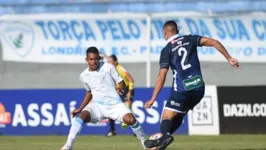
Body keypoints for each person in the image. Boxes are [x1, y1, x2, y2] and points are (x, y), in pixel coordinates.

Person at [143, 20, 239, 150]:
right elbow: (215, 42)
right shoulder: (191, 39)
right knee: (179, 114)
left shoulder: (166, 50)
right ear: (176, 31)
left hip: (182, 89)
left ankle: (164, 136)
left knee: (166, 117)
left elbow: (162, 76)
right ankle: (163, 140)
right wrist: (229, 58)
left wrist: (152, 99)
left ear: (165, 33)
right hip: (198, 89)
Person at [60, 47, 146, 150]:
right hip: (98, 106)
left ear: (99, 58)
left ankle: (145, 142)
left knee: (130, 119)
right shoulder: (84, 75)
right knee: (82, 115)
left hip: (115, 105)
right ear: (86, 60)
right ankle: (68, 145)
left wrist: (120, 88)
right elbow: (89, 93)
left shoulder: (109, 67)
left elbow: (121, 82)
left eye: (96, 58)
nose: (94, 61)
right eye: (91, 59)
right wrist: (80, 108)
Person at [100, 54, 135, 136]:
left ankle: (136, 131)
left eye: (110, 61)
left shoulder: (120, 68)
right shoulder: (109, 69)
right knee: (110, 109)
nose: (108, 63)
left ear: (115, 62)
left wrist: (130, 91)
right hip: (116, 90)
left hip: (126, 90)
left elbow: (131, 80)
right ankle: (112, 131)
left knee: (128, 110)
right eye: (108, 61)